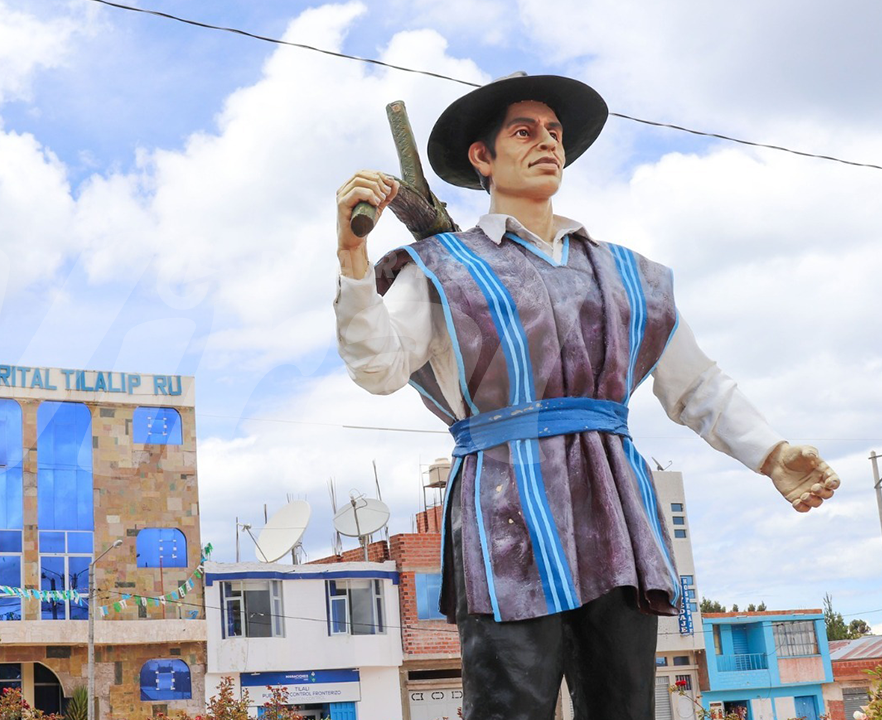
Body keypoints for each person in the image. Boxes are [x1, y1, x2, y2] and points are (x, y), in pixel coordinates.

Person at [332, 73, 840, 719]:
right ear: (482, 157)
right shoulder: (442, 266)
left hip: (614, 506)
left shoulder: (628, 274)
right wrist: (353, 258)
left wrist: (770, 452)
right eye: (524, 131)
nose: (547, 142)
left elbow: (696, 384)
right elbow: (377, 367)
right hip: (505, 510)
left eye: (554, 132)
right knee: (510, 704)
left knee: (624, 702)